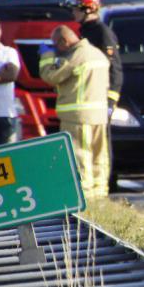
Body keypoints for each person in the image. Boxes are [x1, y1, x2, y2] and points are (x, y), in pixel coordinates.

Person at [39, 26, 110, 198]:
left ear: (65, 41)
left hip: (78, 116)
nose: (57, 49)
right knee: (99, 156)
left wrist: (46, 57)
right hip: (99, 115)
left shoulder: (75, 56)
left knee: (80, 156)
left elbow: (50, 77)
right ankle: (100, 193)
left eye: (56, 45)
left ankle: (84, 195)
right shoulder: (97, 53)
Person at [70, 0, 123, 112]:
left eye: (75, 8)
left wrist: (110, 100)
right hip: (90, 95)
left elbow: (114, 68)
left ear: (88, 9)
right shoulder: (85, 31)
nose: (72, 12)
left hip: (101, 99)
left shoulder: (103, 33)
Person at [0, 17, 20, 145]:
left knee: (7, 157)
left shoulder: (9, 53)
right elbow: (4, 76)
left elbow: (11, 75)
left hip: (6, 114)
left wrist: (3, 76)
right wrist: (0, 74)